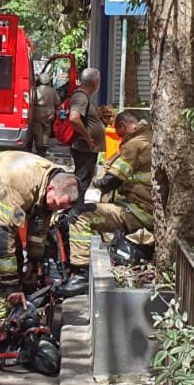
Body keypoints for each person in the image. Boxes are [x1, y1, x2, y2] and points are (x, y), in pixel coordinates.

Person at [0, 151, 81, 346]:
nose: (55, 209)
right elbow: (2, 233)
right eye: (55, 203)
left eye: (60, 207)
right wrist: (12, 285)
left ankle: (11, 309)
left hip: (2, 197)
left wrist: (33, 262)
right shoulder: (23, 185)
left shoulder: (50, 189)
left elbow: (38, 228)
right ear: (51, 188)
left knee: (15, 258)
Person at [65, 111, 153, 282]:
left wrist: (95, 182)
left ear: (123, 126)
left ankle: (81, 273)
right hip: (147, 210)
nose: (121, 139)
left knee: (80, 215)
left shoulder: (134, 145)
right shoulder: (150, 137)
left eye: (120, 134)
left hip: (138, 213)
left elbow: (111, 180)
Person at [66, 67, 105, 193]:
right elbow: (74, 118)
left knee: (83, 180)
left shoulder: (84, 97)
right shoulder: (81, 97)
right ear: (94, 83)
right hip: (84, 148)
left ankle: (76, 203)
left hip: (87, 148)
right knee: (81, 181)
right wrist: (88, 138)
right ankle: (75, 204)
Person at [30, 74, 60, 155]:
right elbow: (57, 102)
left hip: (37, 113)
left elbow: (31, 101)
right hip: (49, 114)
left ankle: (39, 149)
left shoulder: (36, 90)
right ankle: (44, 148)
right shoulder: (53, 91)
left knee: (37, 131)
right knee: (46, 131)